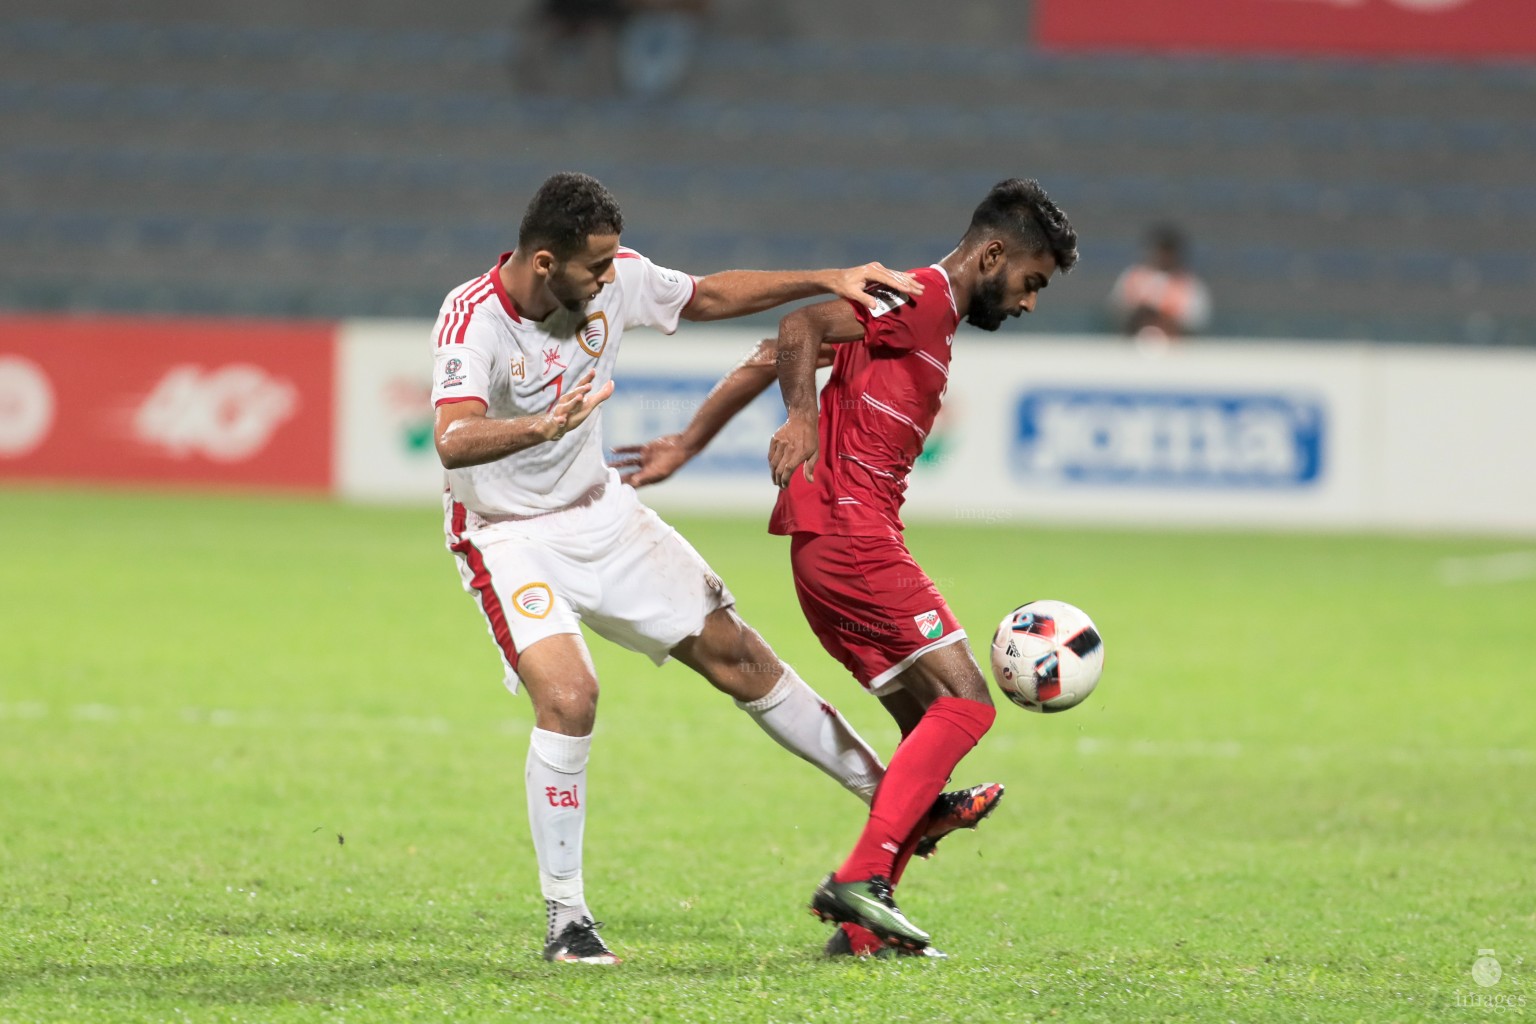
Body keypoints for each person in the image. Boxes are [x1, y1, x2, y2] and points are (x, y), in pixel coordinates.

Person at [430, 171, 989, 965]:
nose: (611, 277)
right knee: (570, 695)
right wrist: (542, 426)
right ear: (546, 263)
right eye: (595, 266)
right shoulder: (473, 320)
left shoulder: (610, 279)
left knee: (743, 658)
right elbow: (454, 439)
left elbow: (708, 297)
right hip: (507, 535)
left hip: (602, 512)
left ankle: (903, 805)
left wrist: (827, 278)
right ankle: (567, 919)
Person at [616, 177, 1077, 955]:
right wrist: (802, 418)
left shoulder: (913, 310)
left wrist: (690, 441)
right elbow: (799, 324)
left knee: (922, 729)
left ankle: (862, 932)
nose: (1030, 302)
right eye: (1031, 283)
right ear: (993, 254)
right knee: (969, 704)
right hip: (855, 537)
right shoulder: (924, 298)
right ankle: (863, 879)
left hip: (823, 548)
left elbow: (774, 352)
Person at [1108, 224, 1210, 343]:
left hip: (1176, 350)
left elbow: (1196, 322)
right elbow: (1116, 313)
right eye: (1161, 249)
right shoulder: (1133, 276)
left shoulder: (1190, 284)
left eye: (1168, 250)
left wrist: (1164, 318)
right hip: (1132, 346)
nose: (1164, 255)